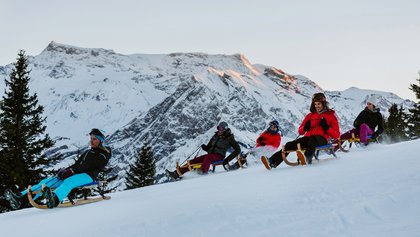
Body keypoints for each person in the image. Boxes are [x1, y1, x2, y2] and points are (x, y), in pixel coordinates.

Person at [4, 128, 112, 209]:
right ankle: (20, 197)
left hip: (88, 176)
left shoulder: (104, 153)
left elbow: (90, 165)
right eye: (91, 139)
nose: (91, 141)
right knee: (46, 182)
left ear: (100, 141)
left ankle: (54, 200)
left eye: (94, 139)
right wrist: (66, 171)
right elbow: (76, 165)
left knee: (70, 181)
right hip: (77, 173)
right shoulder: (88, 152)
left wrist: (72, 171)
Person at [263, 93, 340, 167]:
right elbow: (300, 131)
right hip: (308, 138)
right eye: (315, 104)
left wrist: (326, 127)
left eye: (319, 104)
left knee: (312, 140)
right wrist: (305, 127)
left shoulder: (330, 116)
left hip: (322, 139)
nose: (317, 106)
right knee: (290, 144)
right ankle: (273, 161)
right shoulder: (310, 116)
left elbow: (336, 135)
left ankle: (307, 157)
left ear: (324, 104)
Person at [165, 121, 241, 180]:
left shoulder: (229, 138)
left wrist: (227, 160)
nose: (219, 130)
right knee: (193, 161)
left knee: (208, 158)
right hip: (210, 155)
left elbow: (238, 150)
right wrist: (205, 147)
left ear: (225, 129)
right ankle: (177, 173)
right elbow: (209, 148)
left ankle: (203, 173)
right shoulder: (215, 136)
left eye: (221, 128)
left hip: (219, 156)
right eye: (218, 128)